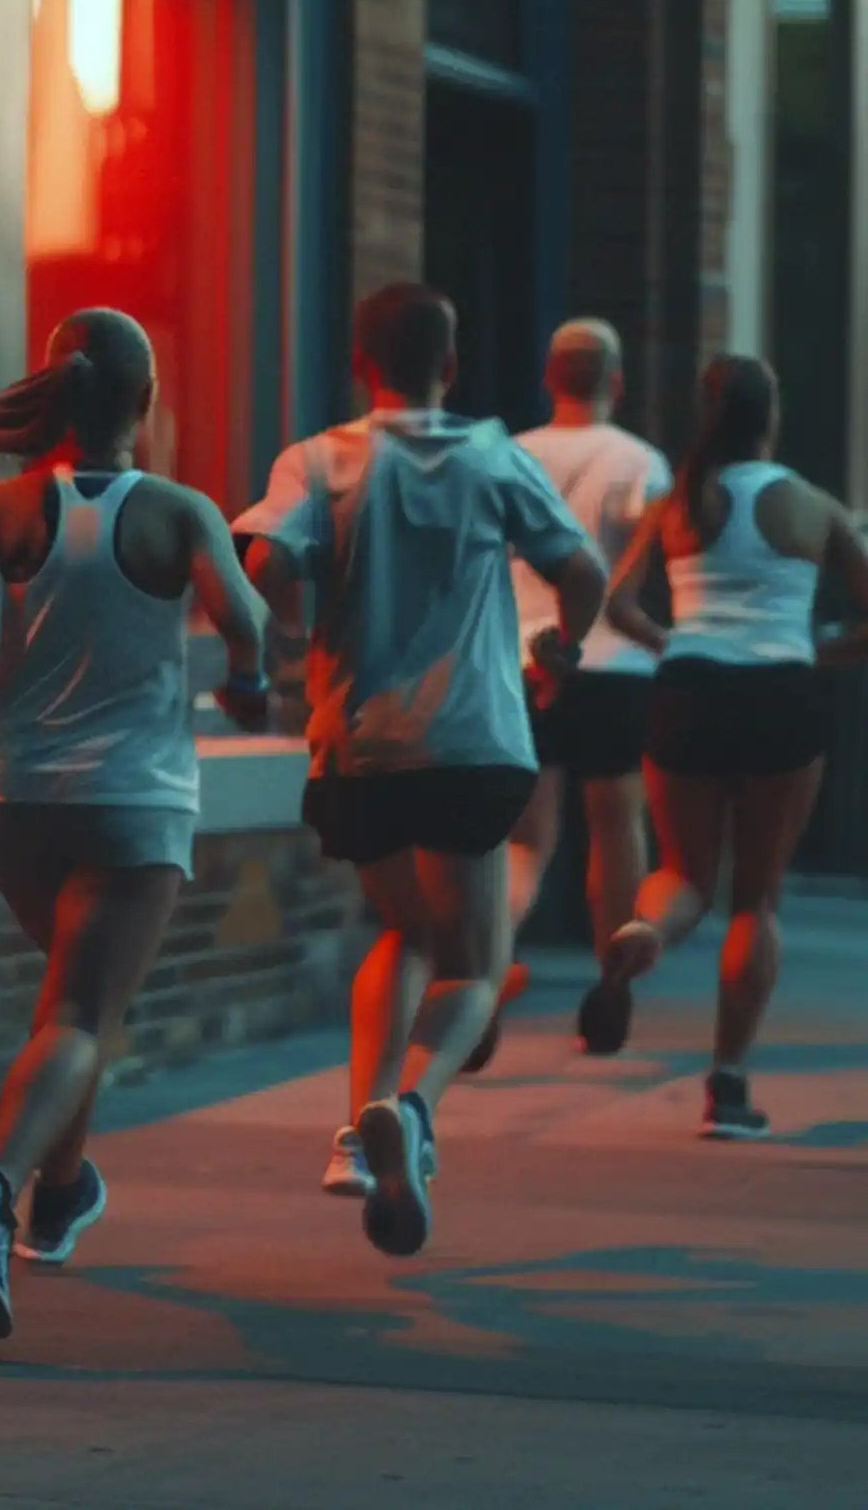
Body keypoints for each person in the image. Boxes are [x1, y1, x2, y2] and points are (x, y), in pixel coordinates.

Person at [0, 309, 268, 1339]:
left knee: (76, 1000)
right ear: (144, 402)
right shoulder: (181, 511)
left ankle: (58, 1198)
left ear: (54, 393)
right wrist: (250, 680)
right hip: (132, 799)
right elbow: (247, 614)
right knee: (80, 1017)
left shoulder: (5, 507)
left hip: (16, 801)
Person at [236, 284, 605, 1253]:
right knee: (473, 964)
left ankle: (358, 1133)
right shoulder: (492, 456)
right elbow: (581, 569)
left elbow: (260, 569)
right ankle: (415, 1106)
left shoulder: (317, 460)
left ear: (362, 365)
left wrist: (271, 657)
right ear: (450, 364)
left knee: (400, 928)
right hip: (472, 738)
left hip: (358, 745)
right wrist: (562, 648)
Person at [594, 353, 868, 1137]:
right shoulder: (815, 506)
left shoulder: (678, 503)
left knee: (682, 873)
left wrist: (669, 640)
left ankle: (639, 934)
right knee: (757, 897)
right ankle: (729, 1083)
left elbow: (617, 604)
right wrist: (823, 650)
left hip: (689, 688)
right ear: (770, 416)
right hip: (783, 691)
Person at [479, 319, 672, 1066]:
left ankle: (490, 965)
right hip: (615, 663)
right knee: (616, 821)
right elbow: (641, 561)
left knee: (526, 835)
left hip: (522, 660)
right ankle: (611, 978)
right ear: (615, 381)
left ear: (549, 377)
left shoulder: (510, 454)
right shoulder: (639, 461)